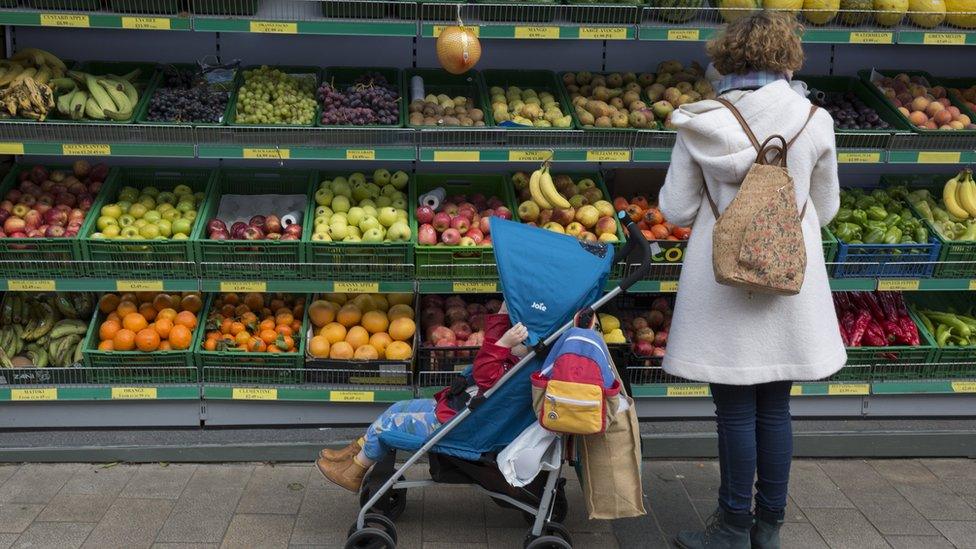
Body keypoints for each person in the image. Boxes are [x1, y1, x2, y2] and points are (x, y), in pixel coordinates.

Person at [658, 11, 846, 549]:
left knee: (734, 410)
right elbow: (827, 209)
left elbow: (674, 208)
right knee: (775, 407)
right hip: (789, 278)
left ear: (726, 57)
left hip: (721, 284)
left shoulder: (701, 120)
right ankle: (769, 528)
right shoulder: (815, 119)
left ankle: (732, 526)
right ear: (787, 56)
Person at [317, 302, 529, 492]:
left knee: (389, 424)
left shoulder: (512, 369)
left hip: (457, 425)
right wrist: (502, 320)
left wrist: (501, 344)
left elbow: (484, 373)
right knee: (398, 407)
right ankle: (353, 454)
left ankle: (354, 471)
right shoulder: (518, 362)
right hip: (457, 410)